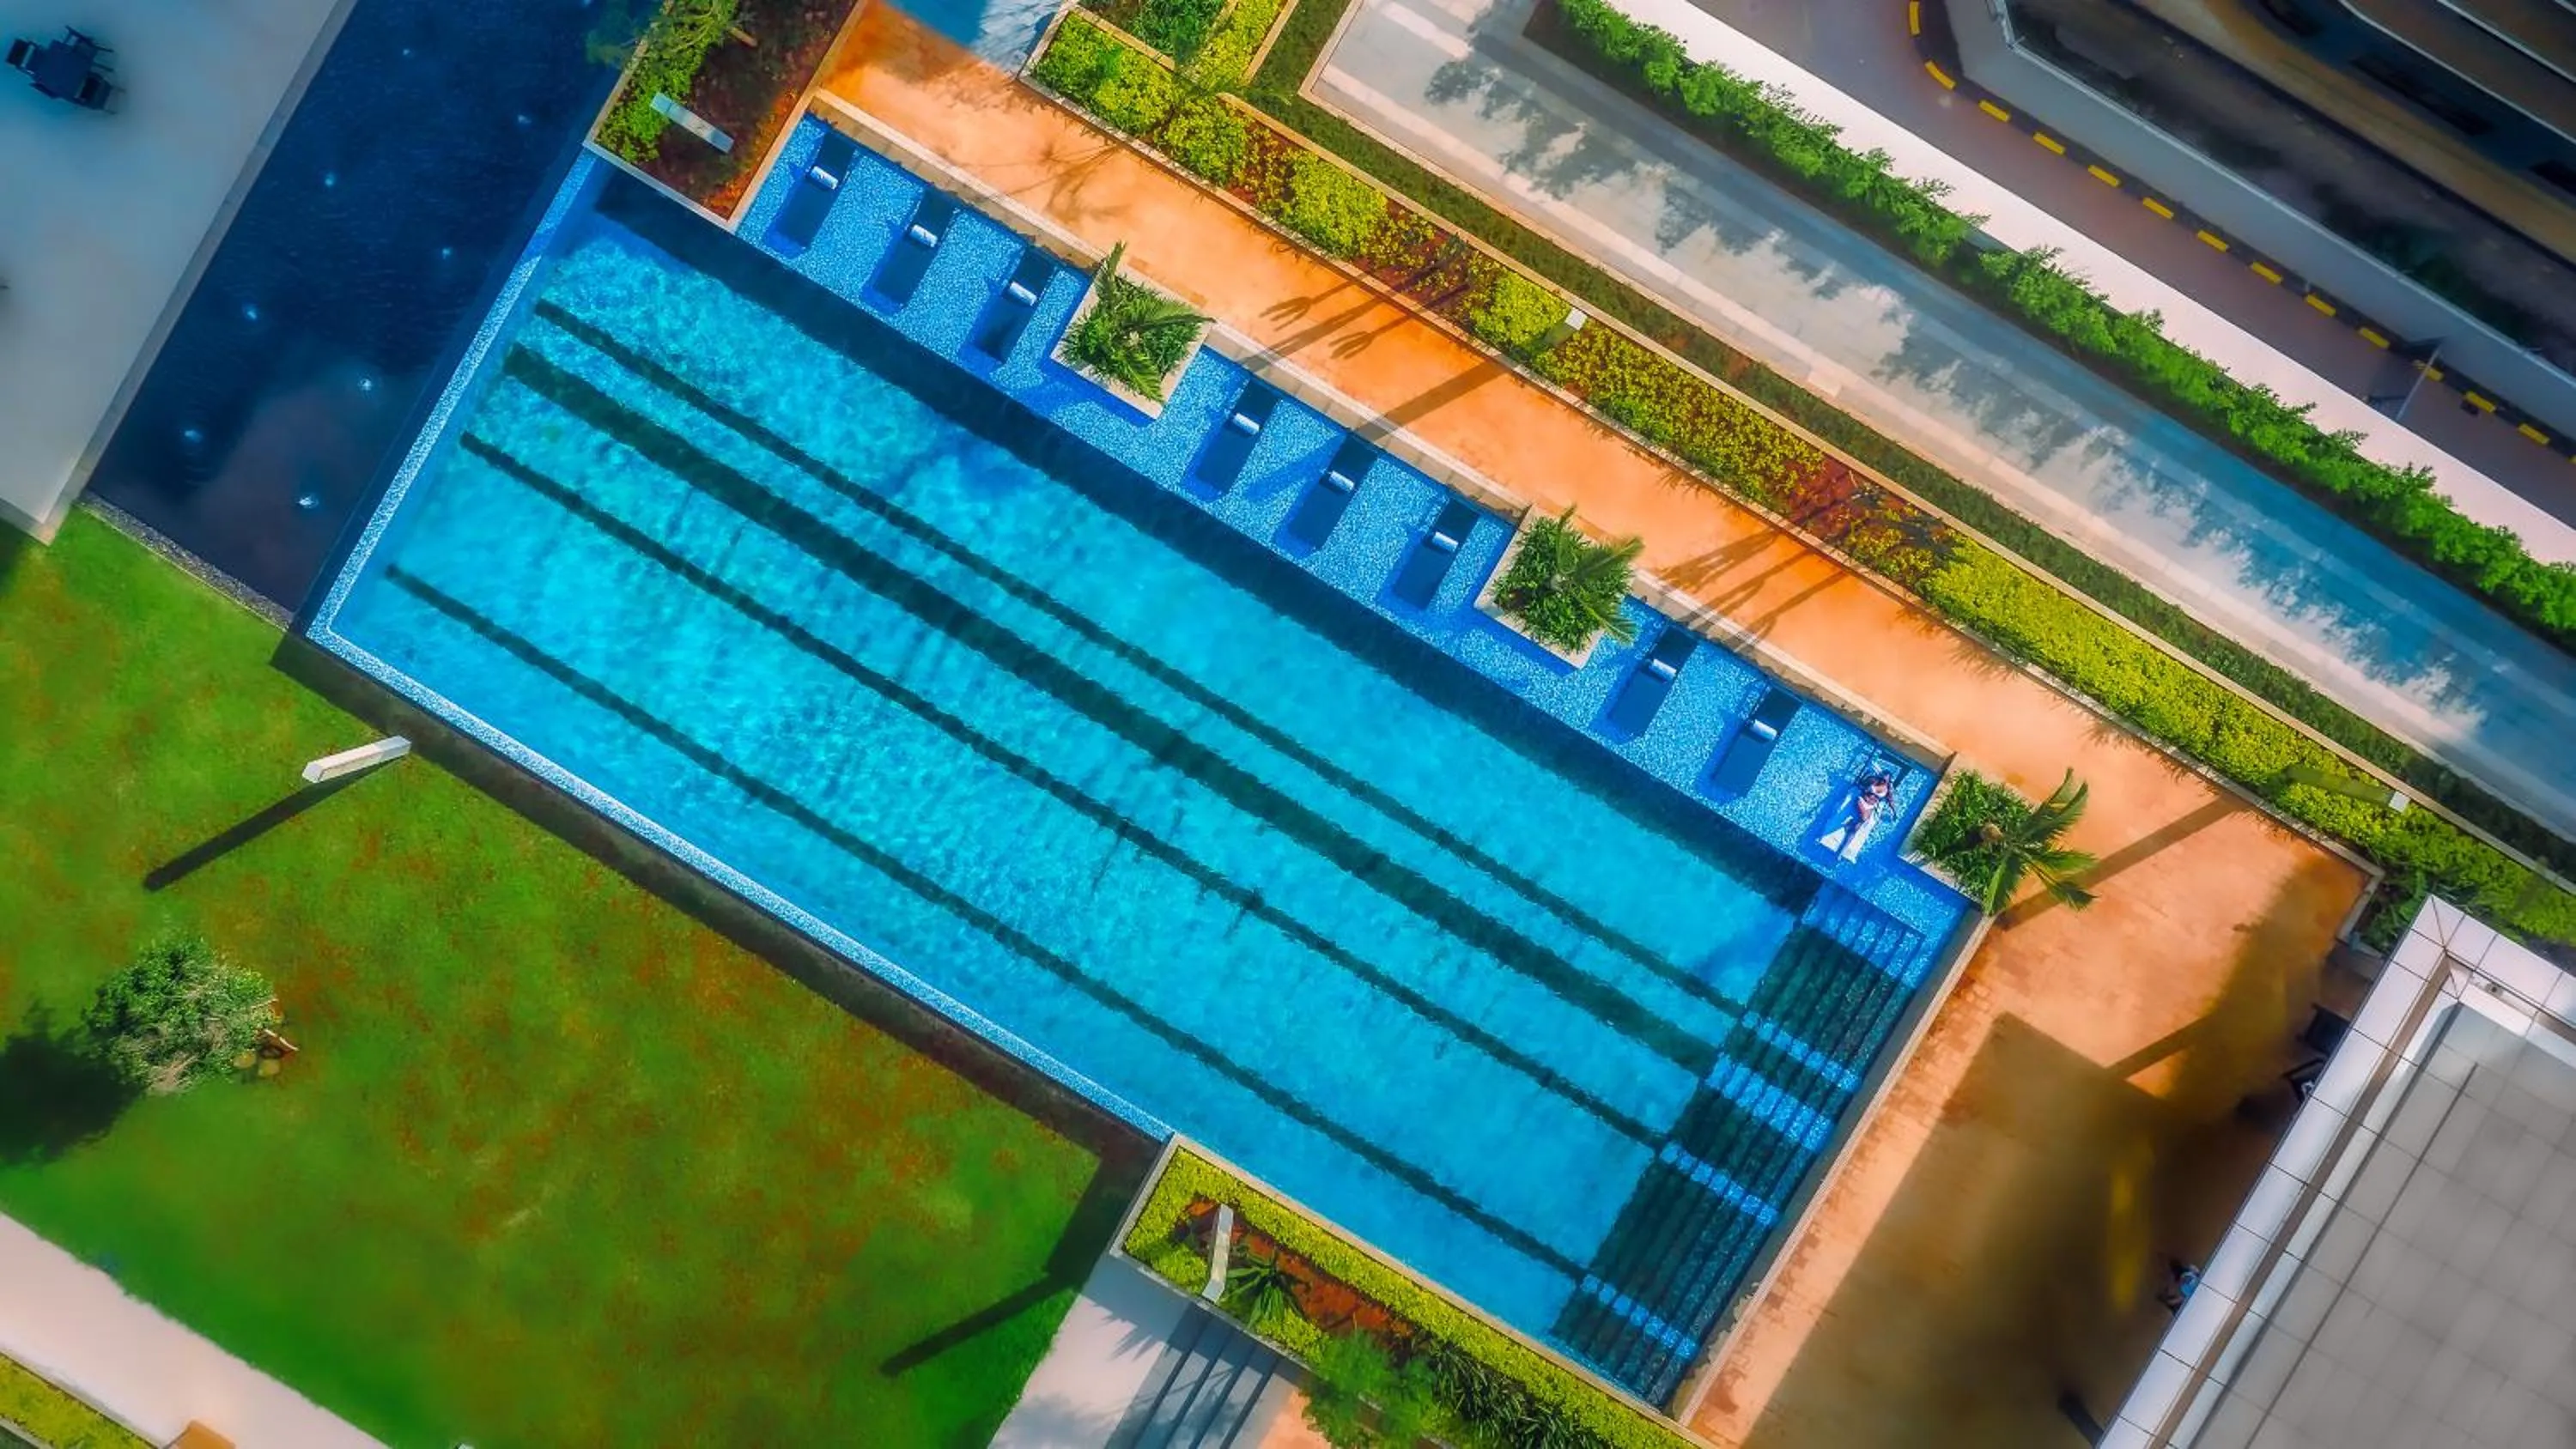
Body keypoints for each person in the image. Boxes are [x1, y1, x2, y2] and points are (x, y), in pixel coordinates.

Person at [1817, 772, 1894, 863]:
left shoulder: (1887, 789)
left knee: (1856, 829)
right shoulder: (1872, 780)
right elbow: (1859, 784)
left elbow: (1890, 801)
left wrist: (1893, 811)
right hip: (1861, 801)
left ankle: (1840, 851)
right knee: (1864, 819)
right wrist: (1866, 788)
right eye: (1881, 778)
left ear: (1888, 781)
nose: (1882, 781)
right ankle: (1847, 829)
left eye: (1884, 780)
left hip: (1871, 806)